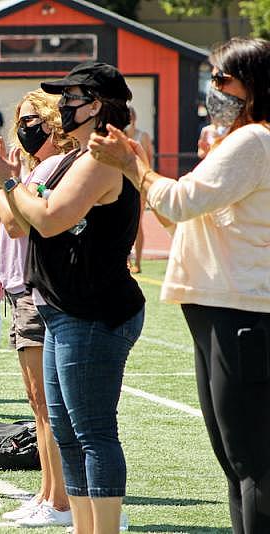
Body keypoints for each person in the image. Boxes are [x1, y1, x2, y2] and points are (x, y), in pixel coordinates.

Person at [89, 38, 270, 533]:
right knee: (237, 462)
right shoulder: (242, 139)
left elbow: (179, 201)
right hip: (219, 306)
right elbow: (188, 218)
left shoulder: (253, 140)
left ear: (253, 86)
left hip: (242, 311)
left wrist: (134, 164)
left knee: (252, 461)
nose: (213, 91)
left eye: (222, 80)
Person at [0, 62, 145, 533]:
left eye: (72, 98)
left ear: (97, 106)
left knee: (92, 432)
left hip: (95, 311)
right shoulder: (75, 156)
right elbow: (18, 221)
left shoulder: (102, 158)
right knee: (67, 434)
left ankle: (105, 529)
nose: (63, 107)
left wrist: (11, 183)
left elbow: (48, 218)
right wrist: (5, 182)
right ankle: (83, 526)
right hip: (63, 310)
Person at [0, 89, 73, 527]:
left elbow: (13, 224)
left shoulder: (52, 166)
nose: (23, 128)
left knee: (48, 403)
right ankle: (47, 492)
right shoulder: (31, 168)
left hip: (38, 291)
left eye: (32, 119)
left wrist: (0, 181)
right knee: (38, 403)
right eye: (20, 119)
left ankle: (60, 500)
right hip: (20, 288)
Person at [124, 106, 155, 274]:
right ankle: (125, 258)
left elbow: (148, 160)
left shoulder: (142, 136)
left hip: (138, 183)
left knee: (137, 223)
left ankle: (138, 261)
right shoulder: (119, 136)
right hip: (122, 184)